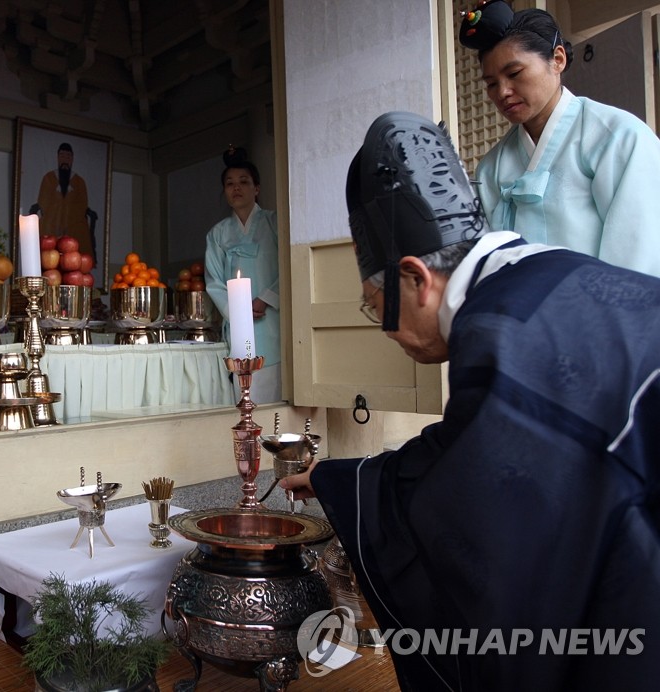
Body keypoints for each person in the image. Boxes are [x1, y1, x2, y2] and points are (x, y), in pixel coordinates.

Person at [281, 111, 660, 691]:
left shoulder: (498, 332)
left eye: (373, 307)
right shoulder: (554, 271)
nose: (385, 333)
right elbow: (468, 450)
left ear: (415, 277)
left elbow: (482, 527)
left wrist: (353, 494)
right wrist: (340, 478)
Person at [460, 0, 660, 276]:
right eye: (492, 83)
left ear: (558, 59)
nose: (502, 92)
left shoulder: (619, 138)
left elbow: (638, 261)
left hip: (598, 313)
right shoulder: (492, 167)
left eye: (514, 73)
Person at [204, 147, 281, 403]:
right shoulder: (218, 234)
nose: (236, 188)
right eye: (230, 184)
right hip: (239, 328)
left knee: (274, 402)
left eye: (244, 182)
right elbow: (214, 281)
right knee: (244, 402)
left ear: (256, 188)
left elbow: (290, 268)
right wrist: (238, 310)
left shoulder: (276, 223)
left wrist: (265, 299)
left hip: (272, 324)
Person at [31, 142, 98, 264]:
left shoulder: (79, 181)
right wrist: (57, 209)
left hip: (74, 221)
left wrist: (68, 215)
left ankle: (79, 263)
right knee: (46, 226)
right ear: (57, 158)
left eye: (68, 157)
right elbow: (43, 201)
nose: (65, 160)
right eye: (62, 156)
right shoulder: (49, 178)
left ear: (72, 159)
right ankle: (45, 261)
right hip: (52, 219)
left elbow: (82, 204)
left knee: (80, 229)